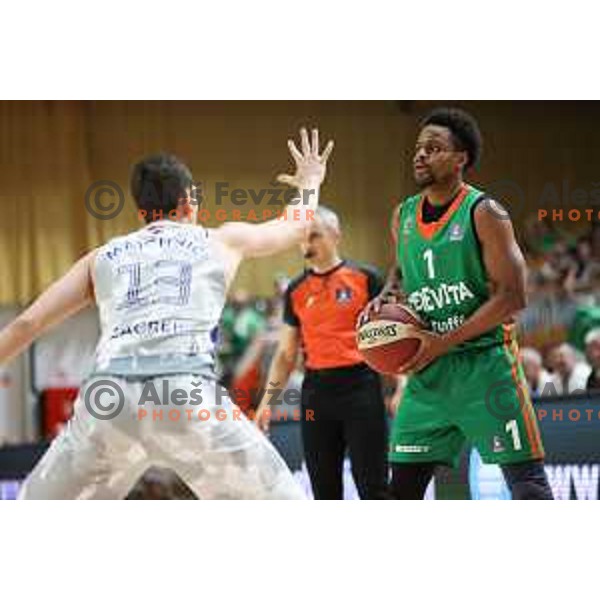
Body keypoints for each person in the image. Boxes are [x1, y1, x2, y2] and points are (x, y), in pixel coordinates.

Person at [0, 127, 334, 499]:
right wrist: (311, 181)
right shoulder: (221, 239)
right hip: (186, 397)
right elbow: (295, 225)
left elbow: (28, 322)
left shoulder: (103, 256)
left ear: (142, 211)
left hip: (109, 399)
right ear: (190, 200)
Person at [362, 107, 553, 500]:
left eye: (433, 148)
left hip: (485, 370)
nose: (420, 155)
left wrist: (440, 342)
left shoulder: (485, 212)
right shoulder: (404, 216)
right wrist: (385, 293)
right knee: (400, 494)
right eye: (418, 148)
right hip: (428, 376)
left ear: (461, 158)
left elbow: (513, 297)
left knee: (529, 487)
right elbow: (403, 267)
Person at [256, 206, 389, 500]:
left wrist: (404, 382)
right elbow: (286, 354)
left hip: (361, 388)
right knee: (324, 490)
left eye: (314, 236)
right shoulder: (296, 290)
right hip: (316, 393)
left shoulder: (366, 278)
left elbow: (392, 337)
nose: (307, 245)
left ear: (336, 235)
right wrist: (267, 401)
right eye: (302, 238)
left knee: (374, 486)